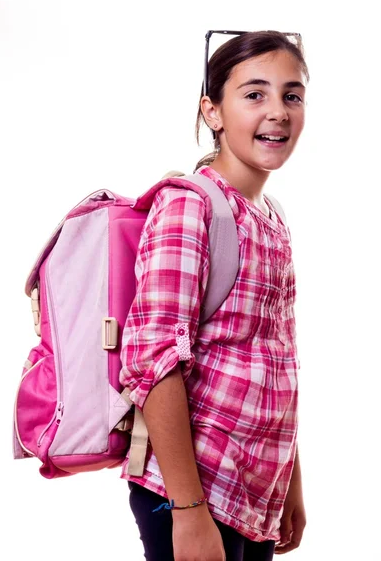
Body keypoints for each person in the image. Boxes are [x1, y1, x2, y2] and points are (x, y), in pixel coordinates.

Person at [119, 30, 309, 561]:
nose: (277, 112)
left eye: (291, 95)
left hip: (254, 491)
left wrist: (289, 479)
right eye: (254, 94)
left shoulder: (272, 219)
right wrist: (188, 510)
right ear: (213, 112)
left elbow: (276, 362)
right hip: (191, 490)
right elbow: (154, 363)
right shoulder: (191, 207)